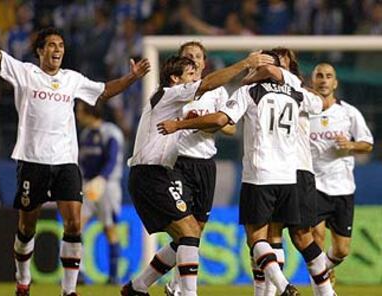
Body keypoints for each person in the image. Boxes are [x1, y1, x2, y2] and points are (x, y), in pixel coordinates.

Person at [0, 1, 150, 295]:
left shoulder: (72, 80)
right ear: (40, 50)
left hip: (66, 162)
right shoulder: (26, 73)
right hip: (32, 160)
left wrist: (131, 77)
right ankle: (23, 279)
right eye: (51, 45)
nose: (57, 49)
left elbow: (104, 91)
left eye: (61, 45)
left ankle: (69, 291)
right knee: (27, 227)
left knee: (74, 224)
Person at [157, 51, 328, 296]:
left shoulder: (249, 92)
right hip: (289, 176)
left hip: (260, 173)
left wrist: (180, 124)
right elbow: (320, 104)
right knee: (279, 236)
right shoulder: (297, 93)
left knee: (256, 239)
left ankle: (282, 286)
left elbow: (221, 120)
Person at [122, 52, 274, 296]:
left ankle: (138, 287)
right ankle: (187, 293)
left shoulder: (172, 101)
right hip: (150, 174)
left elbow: (220, 119)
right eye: (190, 74)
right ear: (174, 78)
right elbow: (206, 84)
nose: (196, 78)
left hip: (157, 173)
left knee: (186, 234)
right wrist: (245, 63)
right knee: (190, 232)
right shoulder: (169, 94)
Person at [242, 48, 334, 296]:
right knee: (271, 236)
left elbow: (322, 103)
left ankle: (325, 293)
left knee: (301, 236)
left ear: (289, 68)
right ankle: (267, 293)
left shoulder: (298, 91)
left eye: (279, 63)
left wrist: (249, 75)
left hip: (298, 169)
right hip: (277, 170)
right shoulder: (273, 92)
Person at [164, 41, 236, 296]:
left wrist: (208, 123)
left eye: (197, 56)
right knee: (187, 228)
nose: (193, 60)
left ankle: (168, 284)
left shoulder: (216, 92)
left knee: (196, 231)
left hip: (205, 164)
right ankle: (183, 289)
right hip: (178, 161)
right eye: (187, 56)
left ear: (205, 62)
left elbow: (230, 127)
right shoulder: (173, 91)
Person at [310, 63, 373, 292]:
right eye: (319, 75)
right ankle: (323, 290)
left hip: (343, 187)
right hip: (314, 185)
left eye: (328, 76)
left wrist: (351, 145)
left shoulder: (348, 112)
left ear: (335, 83)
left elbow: (368, 144)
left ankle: (323, 271)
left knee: (342, 250)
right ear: (312, 81)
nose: (324, 80)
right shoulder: (304, 113)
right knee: (315, 237)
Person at [76, 101, 124, 285]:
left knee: (109, 228)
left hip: (107, 186)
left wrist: (101, 179)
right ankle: (78, 272)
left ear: (90, 112)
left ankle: (113, 276)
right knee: (76, 226)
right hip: (87, 186)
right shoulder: (85, 134)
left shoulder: (111, 132)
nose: (78, 115)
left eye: (80, 111)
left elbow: (112, 159)